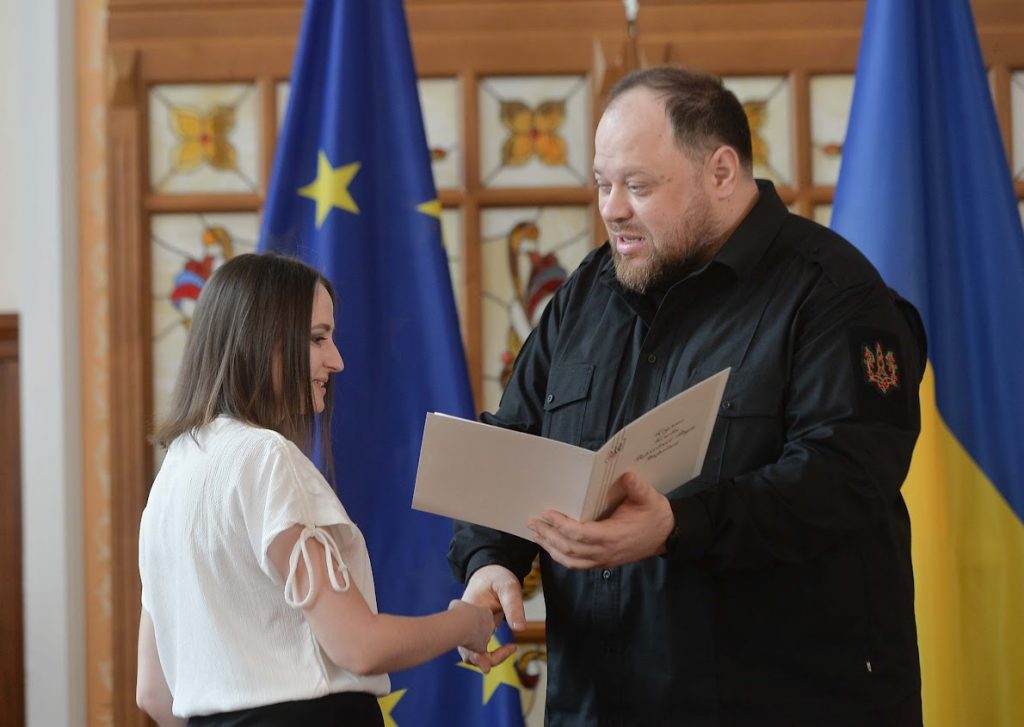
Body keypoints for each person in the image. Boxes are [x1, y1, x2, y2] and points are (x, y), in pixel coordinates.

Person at [449, 65, 926, 726]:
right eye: (602, 184)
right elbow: (513, 441)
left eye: (637, 185)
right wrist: (488, 561)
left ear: (721, 172)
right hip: (600, 705)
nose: (611, 207)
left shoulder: (836, 292)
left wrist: (677, 525)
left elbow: (846, 478)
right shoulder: (587, 292)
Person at [137, 253, 512, 726]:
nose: (336, 361)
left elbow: (152, 691)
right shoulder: (264, 457)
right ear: (262, 339)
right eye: (317, 339)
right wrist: (470, 622)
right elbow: (359, 646)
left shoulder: (170, 477)